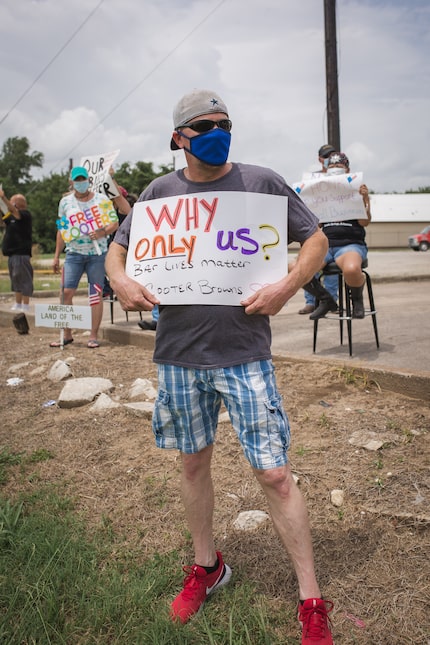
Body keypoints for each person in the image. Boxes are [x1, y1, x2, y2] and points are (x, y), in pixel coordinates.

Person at [106, 89, 334, 644]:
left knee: (275, 474)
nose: (218, 130)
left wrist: (287, 285)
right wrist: (119, 278)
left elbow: (317, 240)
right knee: (192, 465)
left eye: (225, 122)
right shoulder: (159, 195)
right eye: (204, 124)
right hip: (180, 356)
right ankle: (208, 568)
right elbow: (117, 248)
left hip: (244, 353)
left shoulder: (261, 183)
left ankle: (311, 600)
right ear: (179, 138)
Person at [49, 166, 120, 348]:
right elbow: (62, 230)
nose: (80, 183)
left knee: (95, 293)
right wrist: (56, 256)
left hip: (97, 254)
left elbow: (115, 223)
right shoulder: (65, 202)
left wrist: (102, 232)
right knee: (65, 292)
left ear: (88, 180)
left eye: (83, 179)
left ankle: (93, 335)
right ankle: (66, 334)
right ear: (71, 182)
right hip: (73, 253)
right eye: (77, 180)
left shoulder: (101, 200)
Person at [303, 152, 371, 320]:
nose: (335, 170)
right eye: (331, 167)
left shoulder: (356, 188)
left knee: (352, 269)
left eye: (339, 167)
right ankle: (327, 301)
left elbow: (364, 222)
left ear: (347, 169)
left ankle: (357, 301)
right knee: (297, 269)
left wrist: (365, 199)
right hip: (325, 244)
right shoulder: (320, 190)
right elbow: (317, 226)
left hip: (350, 244)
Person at [298, 144, 337, 315]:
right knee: (307, 264)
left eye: (332, 155)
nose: (329, 159)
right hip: (318, 230)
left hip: (336, 230)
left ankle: (332, 300)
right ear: (320, 159)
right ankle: (311, 301)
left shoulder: (343, 179)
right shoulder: (313, 180)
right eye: (326, 156)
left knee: (333, 269)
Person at [0, 189, 33, 312]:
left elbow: (14, 211)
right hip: (12, 255)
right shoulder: (12, 217)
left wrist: (3, 197)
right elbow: (3, 220)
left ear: (17, 204)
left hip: (21, 254)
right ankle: (18, 303)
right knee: (16, 280)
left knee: (24, 279)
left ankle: (25, 304)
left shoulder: (24, 215)